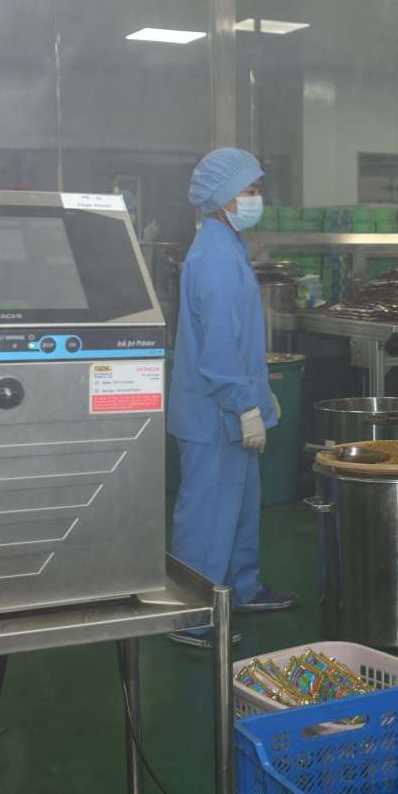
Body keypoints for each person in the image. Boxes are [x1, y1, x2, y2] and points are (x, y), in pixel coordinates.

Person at [166, 148, 293, 647]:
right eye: (250, 191)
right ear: (222, 197)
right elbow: (219, 349)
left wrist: (258, 393)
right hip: (213, 413)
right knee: (207, 515)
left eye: (258, 190)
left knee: (239, 508)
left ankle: (241, 587)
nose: (257, 199)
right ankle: (191, 615)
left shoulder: (228, 244)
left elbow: (240, 339)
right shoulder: (214, 257)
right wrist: (244, 404)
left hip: (233, 406)